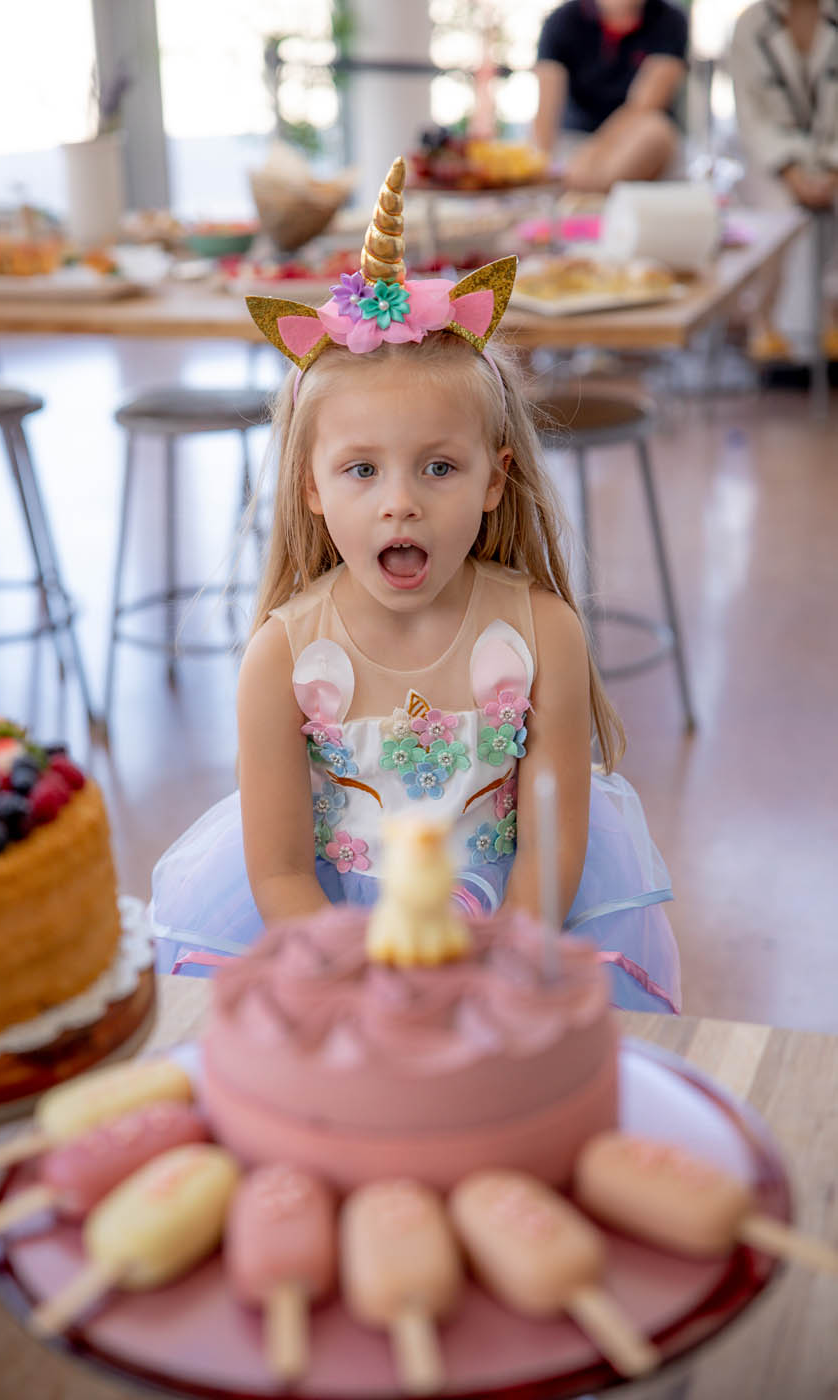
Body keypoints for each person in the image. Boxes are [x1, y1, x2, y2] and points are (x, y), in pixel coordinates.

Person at [150, 159, 680, 1014]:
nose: (400, 502)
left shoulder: (543, 632)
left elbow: (551, 848)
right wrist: (358, 981)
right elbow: (282, 872)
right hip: (333, 956)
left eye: (439, 467)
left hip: (516, 937)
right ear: (311, 489)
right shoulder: (281, 657)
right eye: (361, 470)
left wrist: (504, 960)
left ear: (494, 479)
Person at [729, 0, 838, 361]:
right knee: (776, 216)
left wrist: (832, 170)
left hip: (832, 158)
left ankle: (831, 315)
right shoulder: (750, 26)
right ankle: (766, 320)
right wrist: (791, 172)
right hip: (774, 165)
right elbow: (751, 118)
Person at [533, 0, 689, 192]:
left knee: (655, 131)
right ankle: (581, 192)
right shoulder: (561, 21)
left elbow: (644, 106)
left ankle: (582, 192)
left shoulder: (670, 20)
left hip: (632, 141)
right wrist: (541, 166)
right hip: (576, 142)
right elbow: (546, 112)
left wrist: (592, 160)